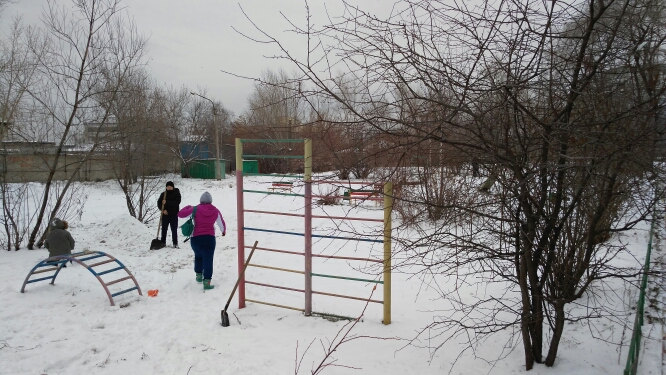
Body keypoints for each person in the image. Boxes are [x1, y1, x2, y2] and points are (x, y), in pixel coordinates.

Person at [178, 191, 226, 290]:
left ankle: (199, 275)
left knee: (198, 256)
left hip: (196, 238)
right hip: (209, 238)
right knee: (208, 259)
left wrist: (188, 206)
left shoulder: (195, 209)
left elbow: (180, 214)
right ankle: (207, 282)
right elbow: (221, 222)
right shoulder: (215, 210)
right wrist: (223, 231)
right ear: (210, 201)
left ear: (201, 200)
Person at [157, 181, 182, 248]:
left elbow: (177, 202)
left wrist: (166, 202)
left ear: (173, 187)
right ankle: (163, 242)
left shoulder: (176, 193)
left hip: (174, 214)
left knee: (174, 229)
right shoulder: (163, 194)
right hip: (165, 214)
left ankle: (175, 243)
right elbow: (159, 203)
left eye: (170, 187)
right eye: (168, 187)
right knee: (164, 229)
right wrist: (162, 210)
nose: (169, 188)